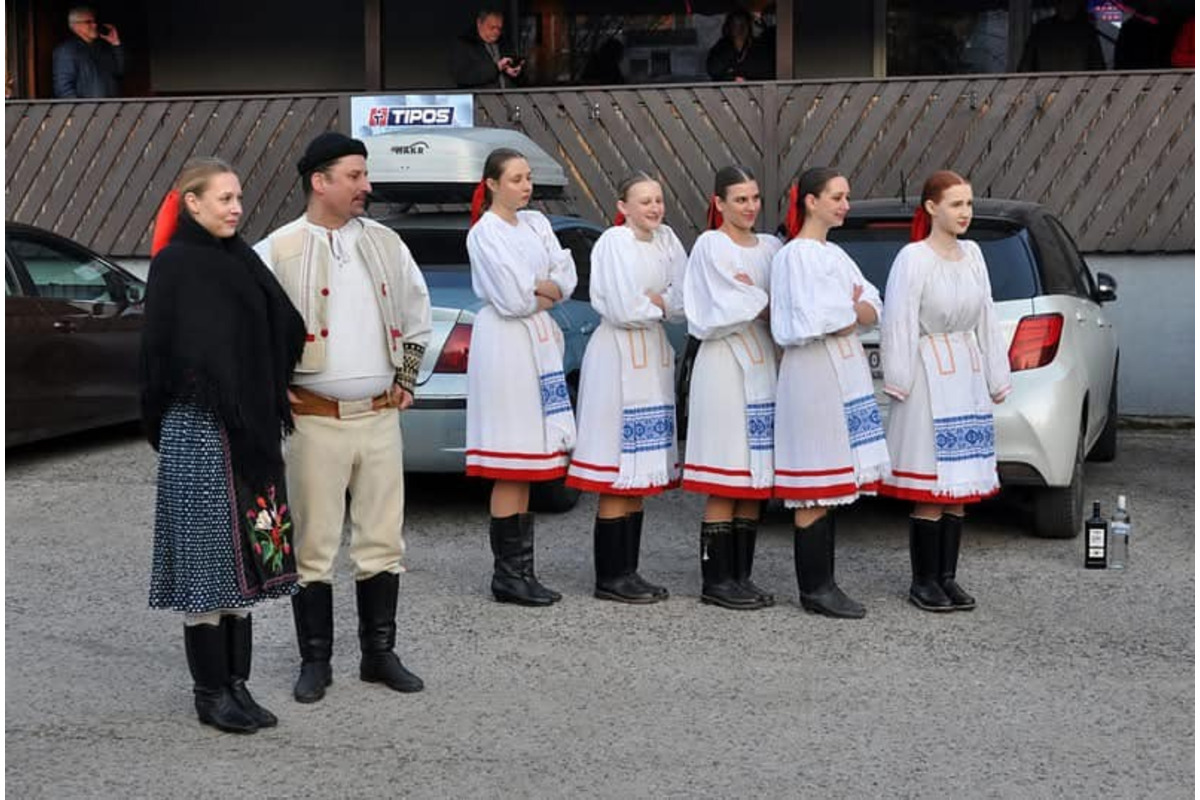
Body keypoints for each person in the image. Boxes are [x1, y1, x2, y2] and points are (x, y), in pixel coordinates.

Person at [253, 132, 432, 702]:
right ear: (320, 181)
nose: (366, 186)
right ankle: (316, 662)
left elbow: (416, 312)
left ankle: (379, 655)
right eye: (354, 176)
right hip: (313, 419)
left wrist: (404, 378)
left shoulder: (385, 242)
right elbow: (253, 335)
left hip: (379, 418)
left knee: (383, 541)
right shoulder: (275, 250)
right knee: (313, 545)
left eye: (365, 174)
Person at [142, 158, 307, 734]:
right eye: (223, 199)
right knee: (207, 565)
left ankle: (238, 685)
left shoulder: (239, 259)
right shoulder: (174, 265)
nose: (236, 208)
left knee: (247, 564)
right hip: (198, 427)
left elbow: (286, 324)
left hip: (250, 431)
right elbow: (163, 353)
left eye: (238, 198)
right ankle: (209, 693)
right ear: (192, 202)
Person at [879, 170, 1012, 613]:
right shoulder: (913, 258)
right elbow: (897, 320)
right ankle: (924, 581)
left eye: (969, 204)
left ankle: (948, 576)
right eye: (956, 204)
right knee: (932, 483)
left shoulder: (973, 255)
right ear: (932, 207)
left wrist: (996, 375)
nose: (965, 213)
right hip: (928, 372)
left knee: (960, 485)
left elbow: (987, 316)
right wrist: (898, 380)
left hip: (966, 371)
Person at [770, 168, 888, 620]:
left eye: (846, 196)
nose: (845, 204)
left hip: (840, 369)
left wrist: (852, 311)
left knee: (834, 480)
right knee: (814, 481)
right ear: (811, 202)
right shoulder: (793, 256)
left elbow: (873, 302)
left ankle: (826, 581)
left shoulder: (836, 255)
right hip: (812, 374)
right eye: (837, 196)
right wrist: (851, 311)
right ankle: (814, 588)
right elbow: (803, 321)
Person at [565, 173, 686, 604]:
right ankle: (610, 576)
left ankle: (630, 571)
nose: (654, 208)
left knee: (642, 468)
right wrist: (657, 301)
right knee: (618, 466)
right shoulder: (613, 243)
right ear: (623, 206)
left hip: (652, 353)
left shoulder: (668, 239)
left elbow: (685, 299)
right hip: (617, 356)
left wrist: (660, 301)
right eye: (644, 201)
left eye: (658, 200)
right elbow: (622, 307)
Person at [466, 147, 578, 607]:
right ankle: (507, 574)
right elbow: (512, 298)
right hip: (508, 344)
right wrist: (541, 288)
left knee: (532, 458)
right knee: (512, 457)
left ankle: (521, 571)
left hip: (538, 339)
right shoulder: (484, 233)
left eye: (528, 177)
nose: (526, 186)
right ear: (492, 183)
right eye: (515, 178)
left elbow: (566, 275)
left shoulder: (537, 224)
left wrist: (543, 289)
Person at [682, 166, 781, 611]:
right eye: (740, 199)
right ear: (719, 203)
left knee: (753, 475)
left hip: (763, 362)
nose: (750, 207)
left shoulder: (772, 248)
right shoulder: (710, 245)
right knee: (726, 472)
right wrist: (762, 300)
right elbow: (721, 305)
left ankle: (742, 575)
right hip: (724, 363)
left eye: (755, 198)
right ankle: (716, 579)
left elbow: (786, 300)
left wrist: (756, 298)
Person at [52, 6, 124, 98]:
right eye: (88, 22)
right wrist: (82, 111)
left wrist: (116, 43)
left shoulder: (103, 47)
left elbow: (120, 71)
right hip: (87, 111)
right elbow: (64, 89)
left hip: (110, 109)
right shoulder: (66, 51)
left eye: (94, 21)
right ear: (75, 26)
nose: (94, 25)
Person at [1018, 0, 1105, 72]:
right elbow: (1025, 67)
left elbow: (1098, 68)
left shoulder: (1087, 31)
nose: (1066, 6)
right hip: (1045, 88)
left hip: (1077, 87)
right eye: (1062, 2)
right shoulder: (1041, 30)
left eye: (1070, 2)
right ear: (1056, 4)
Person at [450, 7, 523, 89]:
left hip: (508, 98)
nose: (496, 32)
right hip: (481, 99)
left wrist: (513, 69)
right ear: (479, 23)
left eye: (499, 28)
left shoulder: (504, 43)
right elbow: (461, 76)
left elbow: (517, 74)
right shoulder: (464, 44)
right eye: (492, 27)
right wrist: (496, 67)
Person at [706, 10, 773, 82]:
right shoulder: (721, 48)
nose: (740, 28)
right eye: (736, 24)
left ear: (748, 26)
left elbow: (765, 71)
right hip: (725, 90)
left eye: (743, 24)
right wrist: (732, 78)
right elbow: (714, 71)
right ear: (729, 26)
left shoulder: (758, 48)